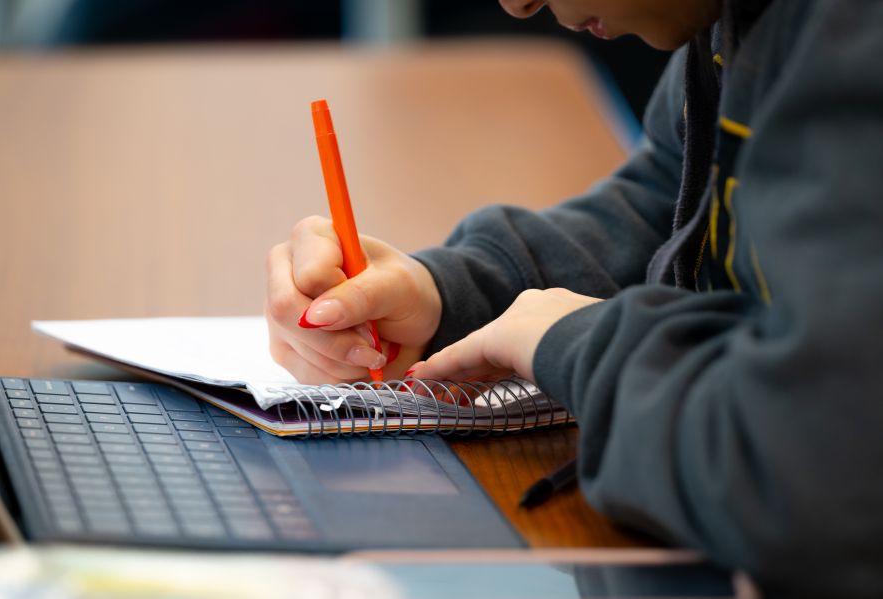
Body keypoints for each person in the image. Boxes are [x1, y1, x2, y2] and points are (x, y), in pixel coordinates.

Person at [265, 0, 883, 594]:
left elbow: (812, 478)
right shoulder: (729, 20)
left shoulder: (852, 47)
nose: (516, 5)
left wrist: (572, 343)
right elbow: (674, 196)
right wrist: (451, 294)